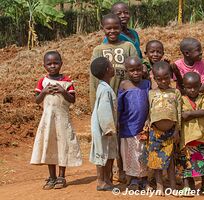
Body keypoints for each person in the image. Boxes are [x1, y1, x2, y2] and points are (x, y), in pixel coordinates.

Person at [30, 51, 82, 190]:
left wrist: (62, 90)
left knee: (63, 146)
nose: (53, 66)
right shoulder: (43, 81)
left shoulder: (67, 81)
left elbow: (72, 100)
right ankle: (51, 177)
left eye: (56, 63)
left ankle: (61, 176)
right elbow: (37, 100)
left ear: (61, 63)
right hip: (48, 121)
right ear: (44, 65)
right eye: (49, 63)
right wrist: (44, 91)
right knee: (50, 145)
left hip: (62, 120)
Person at [145, 61, 181, 195]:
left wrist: (177, 130)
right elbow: (149, 110)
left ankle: (172, 186)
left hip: (171, 132)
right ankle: (160, 186)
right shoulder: (151, 93)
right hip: (155, 132)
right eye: (159, 79)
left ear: (171, 76)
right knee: (156, 161)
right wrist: (147, 122)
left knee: (170, 160)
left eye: (166, 78)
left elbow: (178, 113)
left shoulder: (175, 92)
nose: (163, 81)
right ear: (154, 78)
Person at [177, 72, 204, 196]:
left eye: (195, 87)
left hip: (203, 137)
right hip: (187, 138)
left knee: (203, 162)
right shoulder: (181, 100)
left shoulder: (203, 98)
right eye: (189, 87)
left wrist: (190, 114)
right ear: (183, 87)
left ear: (200, 86)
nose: (192, 90)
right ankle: (187, 186)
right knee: (186, 163)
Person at [90, 13, 138, 108]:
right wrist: (94, 105)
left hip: (127, 95)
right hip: (106, 97)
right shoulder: (98, 50)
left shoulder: (128, 46)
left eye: (116, 28)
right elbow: (93, 78)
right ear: (103, 28)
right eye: (108, 28)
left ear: (121, 28)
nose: (112, 31)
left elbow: (136, 69)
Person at [118, 57, 151, 190]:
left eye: (138, 69)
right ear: (126, 71)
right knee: (130, 154)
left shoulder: (146, 84)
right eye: (132, 71)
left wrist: (149, 119)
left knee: (143, 153)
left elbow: (150, 104)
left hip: (143, 126)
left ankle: (144, 179)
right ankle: (132, 180)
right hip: (127, 126)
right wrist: (116, 122)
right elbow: (119, 106)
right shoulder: (123, 85)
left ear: (142, 69)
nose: (136, 73)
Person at [89, 57, 118, 191]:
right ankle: (101, 181)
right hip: (104, 129)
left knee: (108, 153)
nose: (113, 67)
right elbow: (104, 110)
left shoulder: (103, 87)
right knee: (101, 153)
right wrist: (108, 128)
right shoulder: (105, 90)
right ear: (108, 70)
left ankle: (107, 179)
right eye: (111, 66)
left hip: (105, 128)